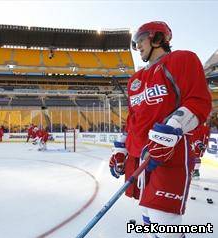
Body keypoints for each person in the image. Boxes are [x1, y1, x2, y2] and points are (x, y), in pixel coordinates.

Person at [108, 21, 212, 237]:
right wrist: (121, 150)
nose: (137, 47)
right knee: (147, 216)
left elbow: (198, 102)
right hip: (141, 157)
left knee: (164, 223)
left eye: (140, 40)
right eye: (134, 44)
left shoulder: (182, 59)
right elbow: (133, 119)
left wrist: (169, 133)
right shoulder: (135, 81)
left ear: (157, 38)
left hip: (170, 155)